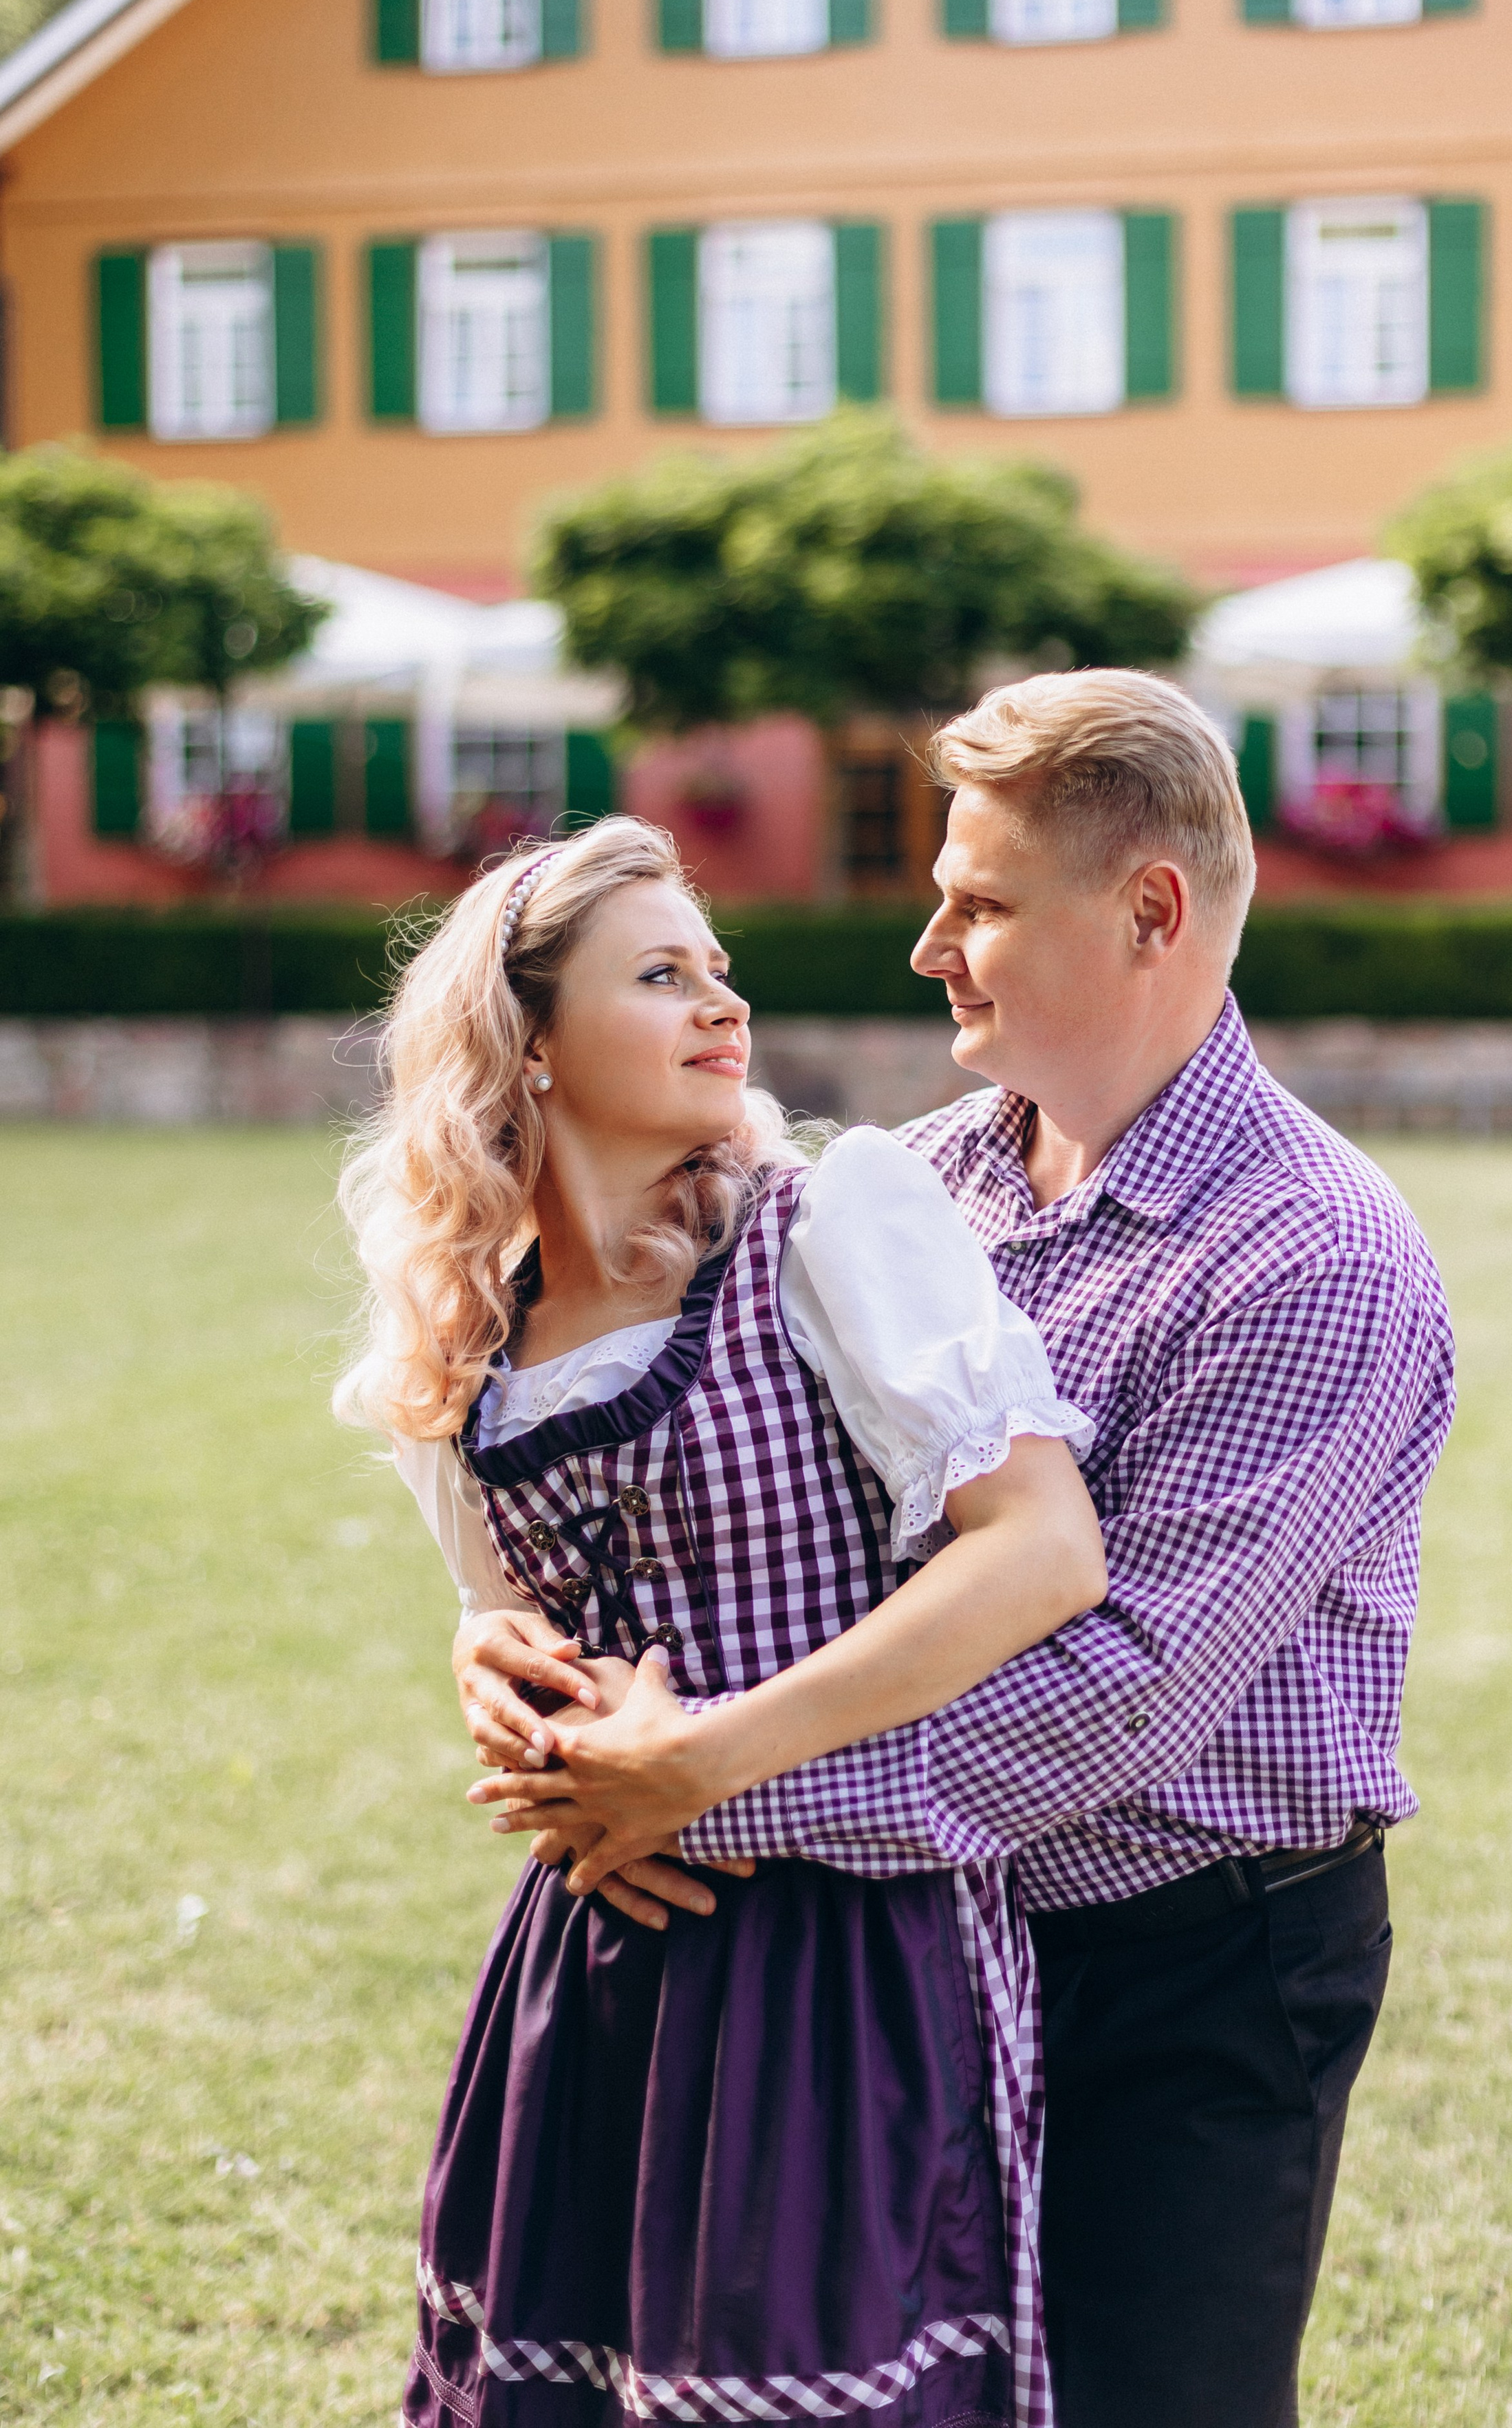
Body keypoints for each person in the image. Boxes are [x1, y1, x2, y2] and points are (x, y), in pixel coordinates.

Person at [474, 674, 1456, 2428]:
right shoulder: (906, 1186)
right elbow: (712, 1498)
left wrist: (692, 1788)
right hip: (911, 1940)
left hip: (1192, 1969)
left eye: (979, 903)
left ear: (1148, 911)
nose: (929, 944)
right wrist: (530, 1669)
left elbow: (1112, 1702)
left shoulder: (1317, 1259)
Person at [334, 814, 1105, 2428]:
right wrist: (491, 1670)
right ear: (526, 1045)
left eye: (720, 971)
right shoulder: (467, 1348)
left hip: (846, 1942)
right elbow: (506, 1620)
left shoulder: (831, 1230)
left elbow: (1039, 1552)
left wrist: (707, 1758)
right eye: (662, 973)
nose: (722, 1007)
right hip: (602, 1943)